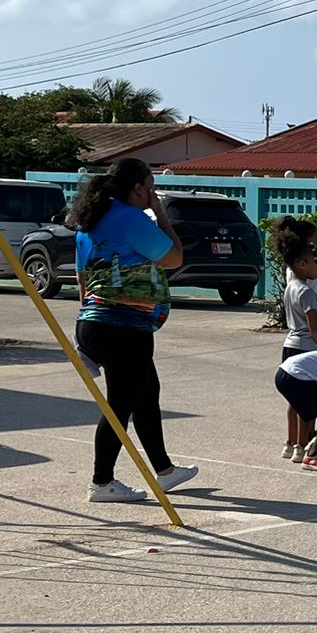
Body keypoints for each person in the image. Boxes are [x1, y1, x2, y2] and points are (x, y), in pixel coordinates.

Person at [69, 158, 199, 503]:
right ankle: (101, 482)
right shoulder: (131, 219)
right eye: (151, 187)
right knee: (120, 406)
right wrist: (161, 214)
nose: (153, 193)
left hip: (97, 322)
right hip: (123, 327)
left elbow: (84, 279)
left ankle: (165, 471)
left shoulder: (91, 221)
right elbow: (173, 258)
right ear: (138, 188)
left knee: (146, 393)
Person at [277, 232, 317, 462]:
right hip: (307, 348)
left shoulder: (291, 287)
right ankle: (301, 444)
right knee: (307, 400)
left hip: (290, 346)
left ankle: (289, 443)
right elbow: (314, 326)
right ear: (301, 263)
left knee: (294, 399)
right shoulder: (307, 292)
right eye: (315, 260)